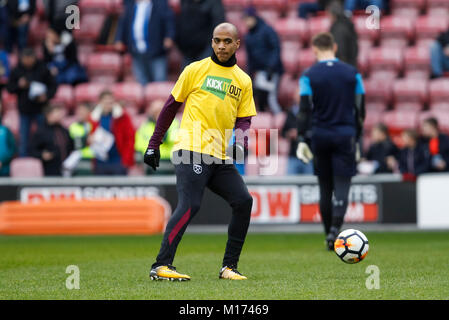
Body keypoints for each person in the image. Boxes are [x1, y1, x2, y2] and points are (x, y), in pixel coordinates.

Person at [144, 23, 256, 281]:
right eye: (217, 40)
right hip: (191, 149)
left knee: (243, 201)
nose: (221, 46)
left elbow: (244, 120)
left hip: (218, 155)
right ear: (211, 41)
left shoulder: (243, 81)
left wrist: (240, 143)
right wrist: (153, 143)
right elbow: (170, 107)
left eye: (227, 41)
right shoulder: (195, 70)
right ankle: (161, 265)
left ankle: (229, 267)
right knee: (190, 204)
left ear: (237, 44)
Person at [296, 32, 365, 250]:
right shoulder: (352, 74)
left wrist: (301, 139)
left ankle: (328, 235)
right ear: (334, 47)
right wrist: (357, 139)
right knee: (342, 185)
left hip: (320, 135)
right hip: (345, 135)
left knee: (325, 187)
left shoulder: (308, 75)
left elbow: (304, 110)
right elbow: (360, 108)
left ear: (315, 49)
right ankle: (336, 229)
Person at [7, 48, 57, 157]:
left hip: (40, 109)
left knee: (43, 136)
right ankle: (23, 162)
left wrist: (46, 96)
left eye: (30, 59)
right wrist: (19, 86)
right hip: (24, 109)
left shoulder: (43, 68)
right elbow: (9, 88)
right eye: (25, 59)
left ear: (34, 58)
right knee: (24, 138)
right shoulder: (17, 70)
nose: (28, 62)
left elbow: (53, 86)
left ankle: (43, 158)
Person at [115, 0, 176, 85]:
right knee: (141, 83)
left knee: (159, 82)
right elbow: (123, 23)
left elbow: (169, 21)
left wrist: (169, 37)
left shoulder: (160, 3)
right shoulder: (130, 4)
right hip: (136, 51)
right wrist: (119, 39)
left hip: (157, 50)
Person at [244, 7, 283, 114]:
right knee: (259, 101)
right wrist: (249, 73)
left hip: (272, 71)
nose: (247, 22)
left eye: (248, 18)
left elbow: (276, 49)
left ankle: (281, 122)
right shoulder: (248, 36)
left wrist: (271, 67)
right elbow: (250, 57)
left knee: (271, 99)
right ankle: (265, 125)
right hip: (260, 72)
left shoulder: (267, 30)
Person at [89, 90, 135, 176]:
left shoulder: (122, 116)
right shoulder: (93, 118)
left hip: (118, 161)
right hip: (100, 162)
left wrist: (126, 160)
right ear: (100, 102)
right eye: (105, 102)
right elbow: (88, 138)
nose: (108, 105)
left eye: (110, 102)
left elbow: (130, 138)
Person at [176, 0, 225, 68]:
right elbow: (181, 23)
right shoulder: (185, 2)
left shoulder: (214, 3)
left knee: (204, 76)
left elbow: (219, 26)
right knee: (186, 77)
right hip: (187, 50)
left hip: (206, 49)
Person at [135, 99, 179, 174]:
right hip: (150, 165)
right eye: (155, 111)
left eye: (160, 111)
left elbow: (171, 139)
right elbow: (139, 145)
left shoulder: (174, 123)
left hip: (170, 164)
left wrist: (162, 124)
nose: (158, 114)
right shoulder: (145, 126)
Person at [29, 105, 73, 176]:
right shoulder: (41, 132)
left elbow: (72, 147)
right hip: (50, 170)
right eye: (56, 112)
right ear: (48, 115)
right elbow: (32, 150)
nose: (59, 115)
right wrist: (42, 155)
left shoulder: (65, 131)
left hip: (67, 170)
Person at [282, 89, 313, 175]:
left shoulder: (310, 113)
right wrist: (289, 134)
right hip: (293, 155)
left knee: (309, 185)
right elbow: (283, 132)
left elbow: (314, 131)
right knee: (290, 184)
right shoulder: (291, 112)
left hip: (307, 156)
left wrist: (300, 133)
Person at [328, 0, 358, 67]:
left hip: (343, 67)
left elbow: (339, 52)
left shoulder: (339, 28)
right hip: (350, 65)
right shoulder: (347, 24)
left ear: (333, 14)